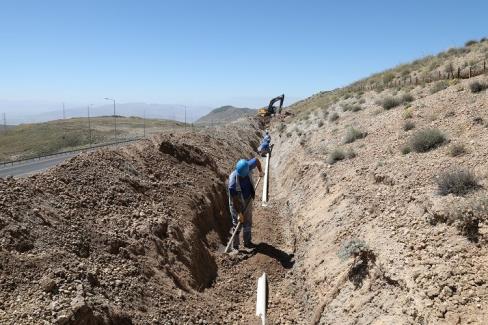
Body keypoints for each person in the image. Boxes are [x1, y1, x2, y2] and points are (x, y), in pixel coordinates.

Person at [228, 158, 264, 250]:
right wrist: (239, 213)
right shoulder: (232, 183)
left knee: (247, 221)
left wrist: (260, 171)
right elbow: (234, 200)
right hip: (237, 202)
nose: (244, 177)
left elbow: (256, 160)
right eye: (242, 176)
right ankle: (235, 246)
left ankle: (247, 242)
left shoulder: (246, 166)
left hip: (248, 199)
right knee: (237, 223)